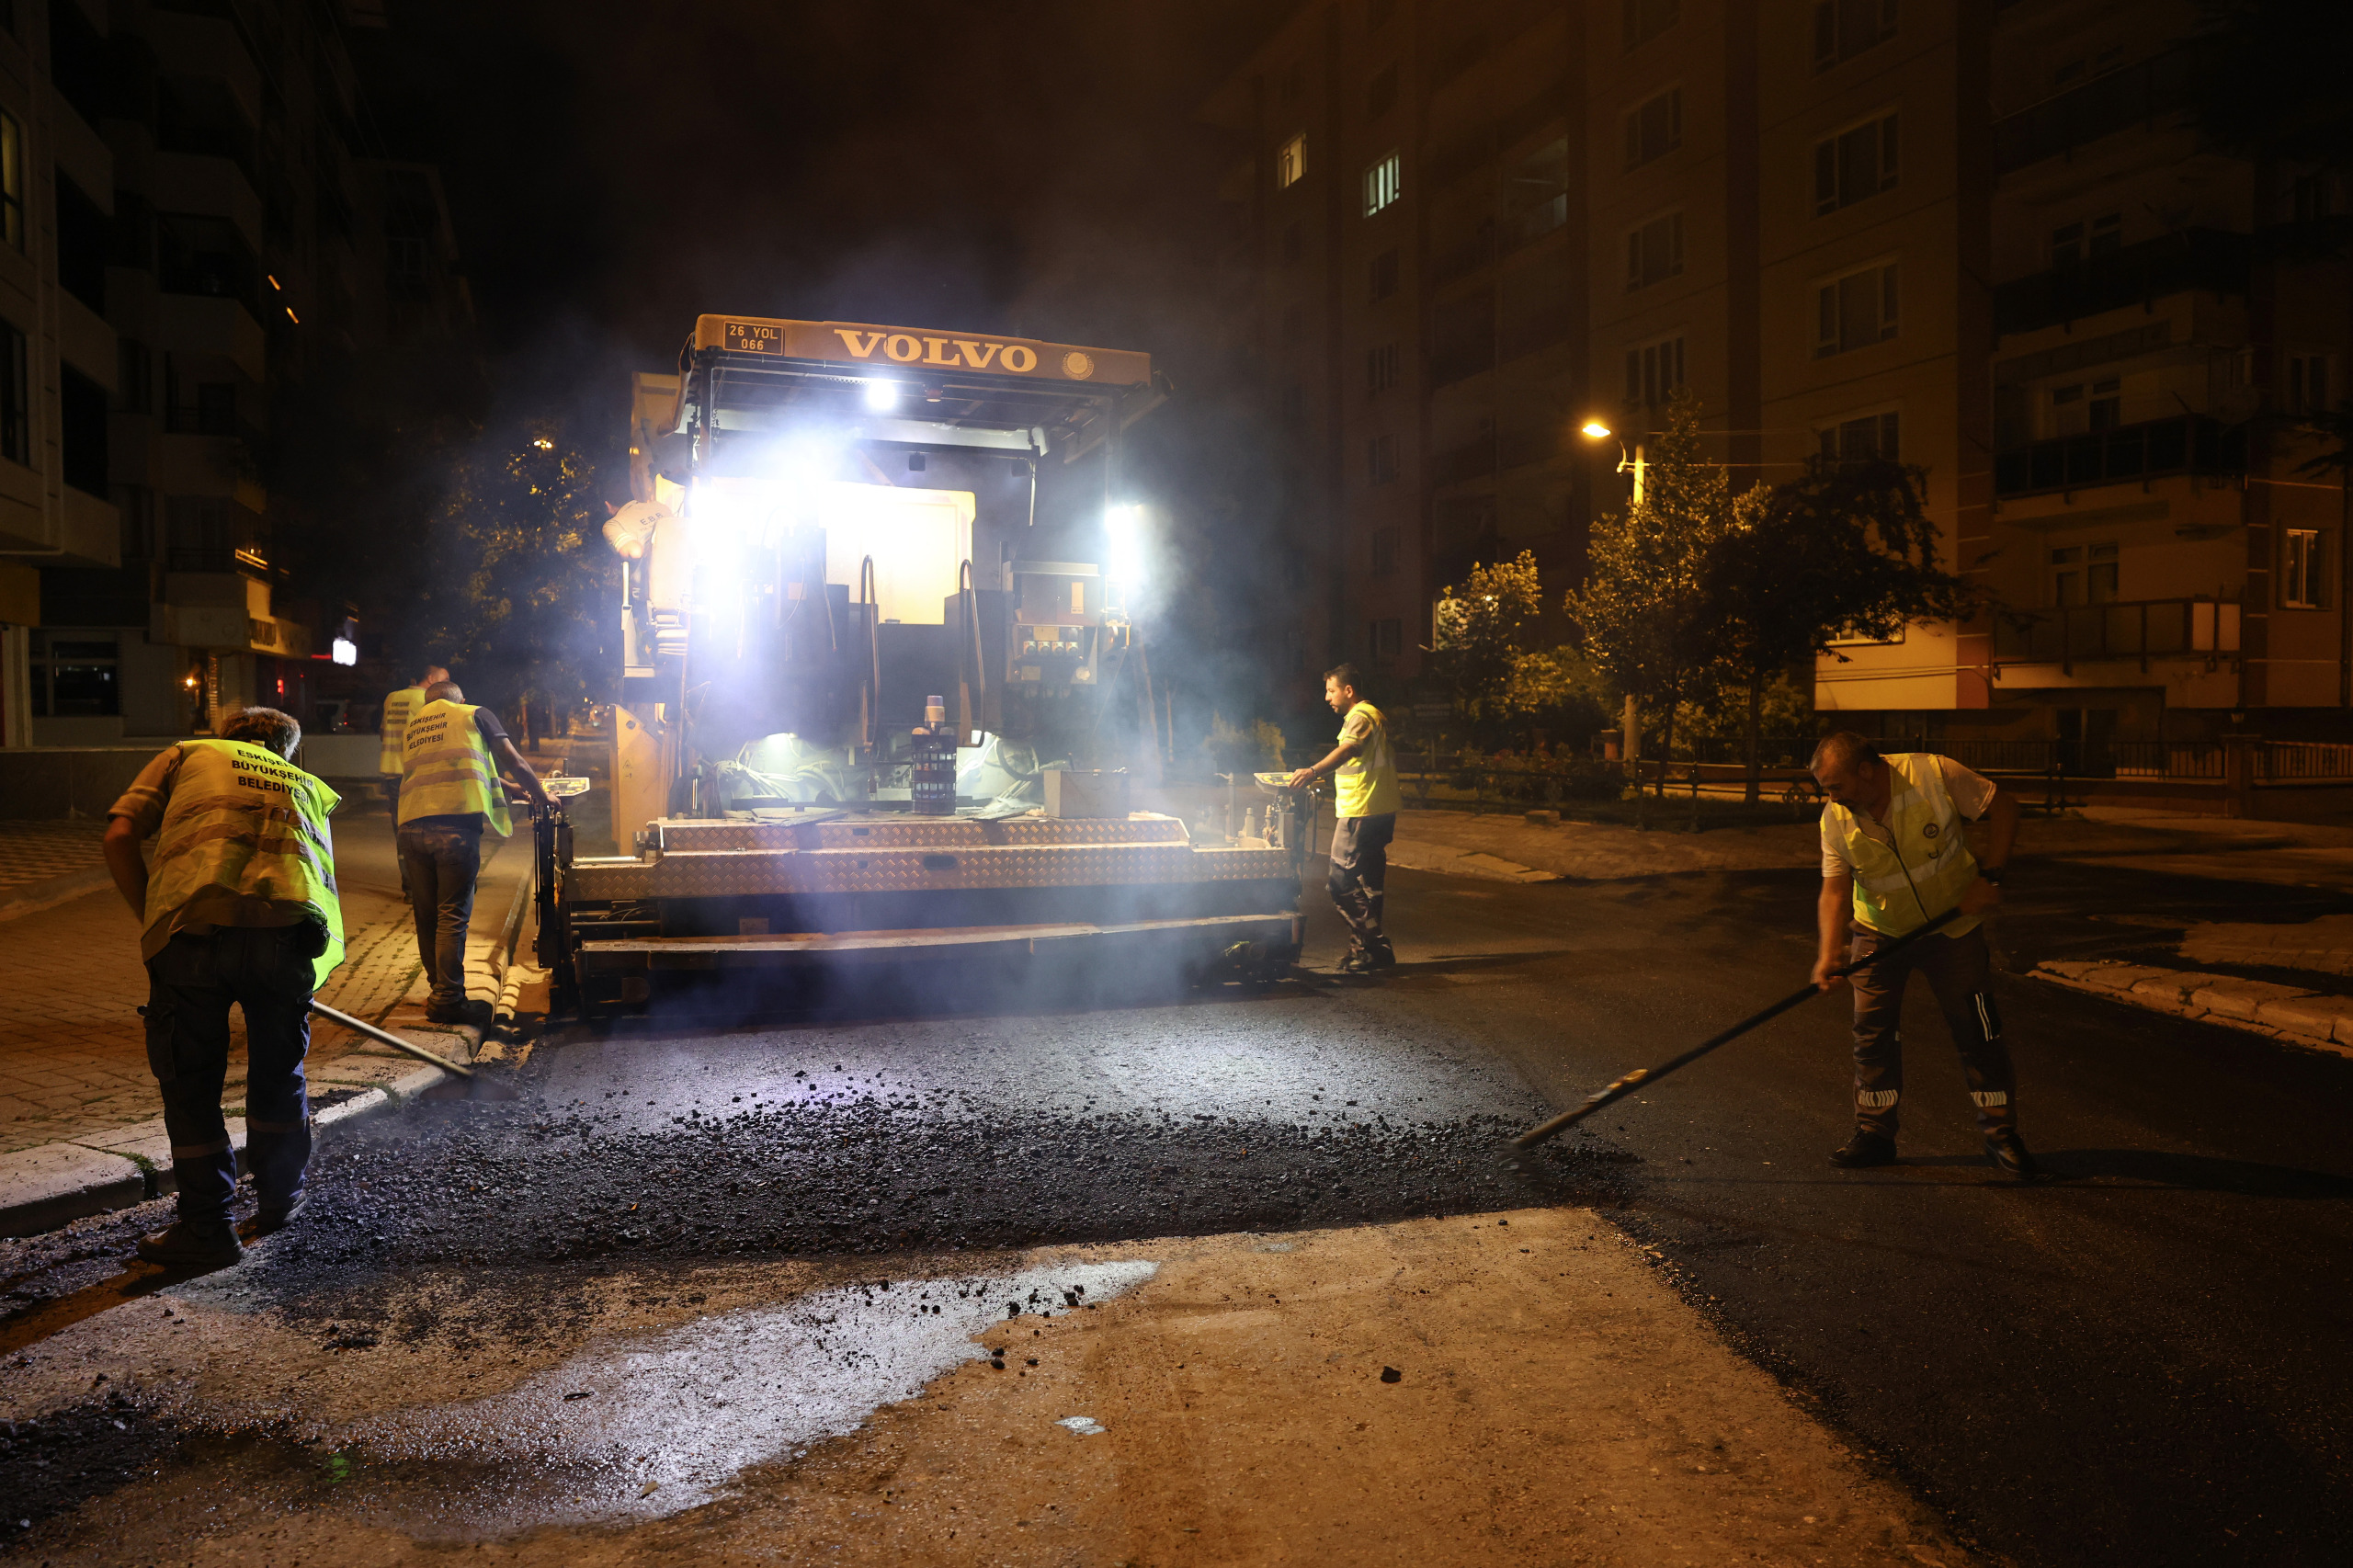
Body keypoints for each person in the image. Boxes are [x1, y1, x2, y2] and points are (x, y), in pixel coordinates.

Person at [103, 707, 346, 1269]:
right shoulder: (306, 785)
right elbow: (318, 882)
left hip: (194, 934)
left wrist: (153, 919)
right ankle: (281, 1198)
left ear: (229, 737)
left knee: (191, 1082)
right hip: (286, 940)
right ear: (285, 751)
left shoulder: (190, 753)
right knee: (278, 1072)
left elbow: (119, 835)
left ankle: (208, 1229)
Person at [1809, 732, 2035, 1178]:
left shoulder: (1934, 774)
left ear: (1866, 771)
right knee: (1871, 1035)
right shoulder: (1835, 818)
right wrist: (1828, 953)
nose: (1830, 797)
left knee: (1977, 1030)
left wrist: (1990, 876)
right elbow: (1835, 889)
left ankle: (2001, 1135)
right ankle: (1874, 1134)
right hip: (1880, 933)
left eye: (1835, 785)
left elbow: (2004, 807)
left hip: (1953, 927)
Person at [396, 678, 551, 1024]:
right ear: (461, 700)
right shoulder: (474, 714)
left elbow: (465, 767)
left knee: (427, 915)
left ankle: (440, 989)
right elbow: (511, 759)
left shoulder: (415, 728)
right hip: (453, 830)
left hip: (409, 828)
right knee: (452, 915)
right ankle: (448, 1000)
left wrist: (508, 790)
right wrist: (543, 795)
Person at [1288, 663, 1402, 972]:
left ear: (1348, 691)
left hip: (1361, 810)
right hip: (1380, 808)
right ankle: (1362, 951)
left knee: (1340, 882)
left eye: (1331, 690)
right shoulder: (1375, 715)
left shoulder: (1360, 716)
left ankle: (1373, 943)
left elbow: (1349, 750)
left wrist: (1312, 772)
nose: (1327, 697)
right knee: (1368, 885)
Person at [377, 663, 449, 821]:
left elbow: (383, 733)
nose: (447, 685)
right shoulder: (430, 700)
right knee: (421, 821)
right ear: (430, 678)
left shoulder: (392, 697)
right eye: (445, 680)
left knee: (399, 820)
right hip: (417, 770)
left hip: (392, 769)